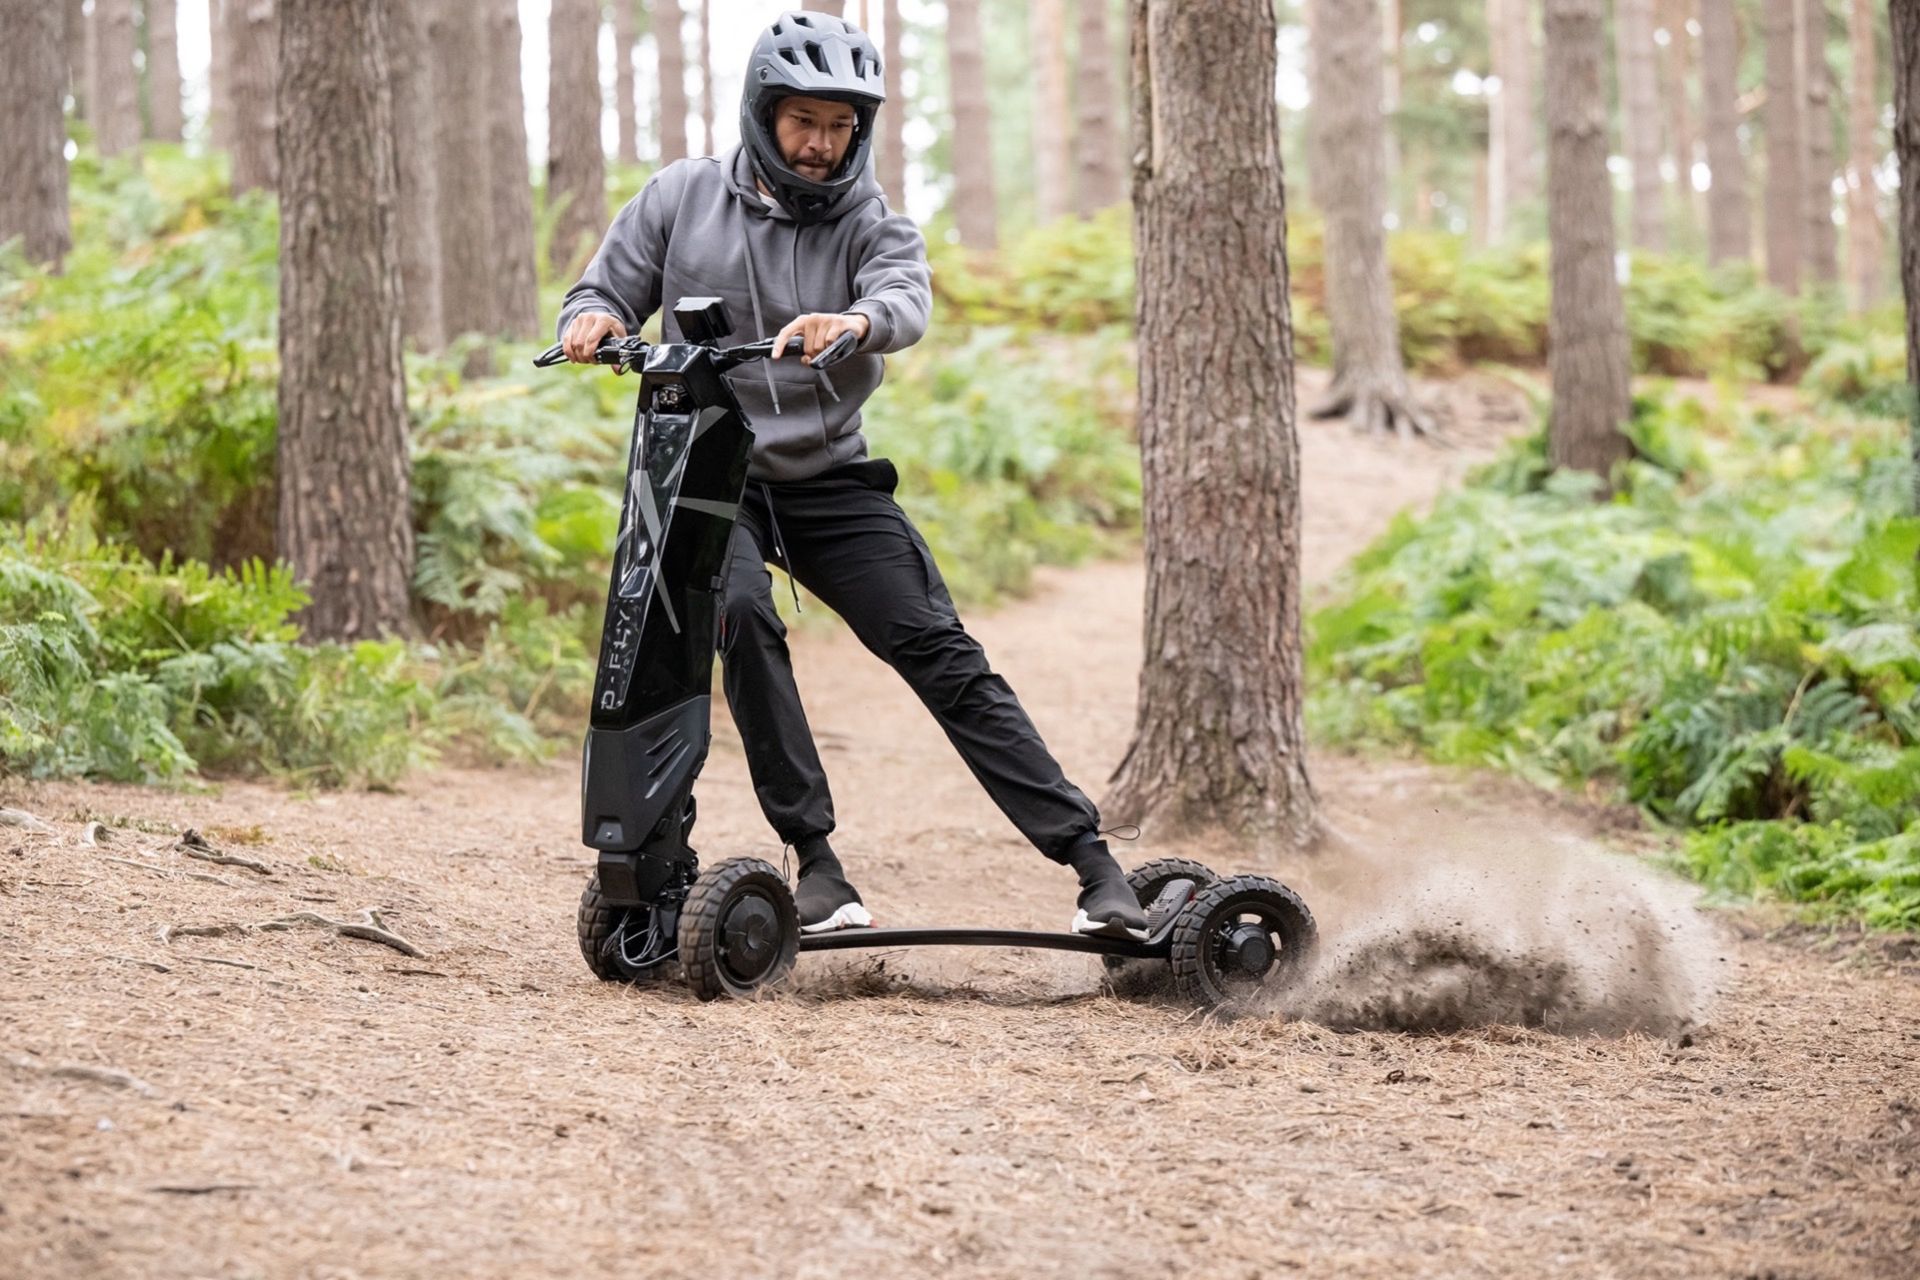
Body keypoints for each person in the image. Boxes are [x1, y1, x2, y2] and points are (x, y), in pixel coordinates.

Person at [555, 11, 1146, 940]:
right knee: (740, 619)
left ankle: (1094, 865)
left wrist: (857, 323)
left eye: (840, 125)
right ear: (763, 112)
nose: (823, 144)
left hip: (830, 481)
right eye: (804, 122)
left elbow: (904, 297)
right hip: (710, 473)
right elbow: (602, 290)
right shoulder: (680, 196)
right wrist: (589, 321)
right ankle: (818, 865)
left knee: (938, 650)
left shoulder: (873, 219)